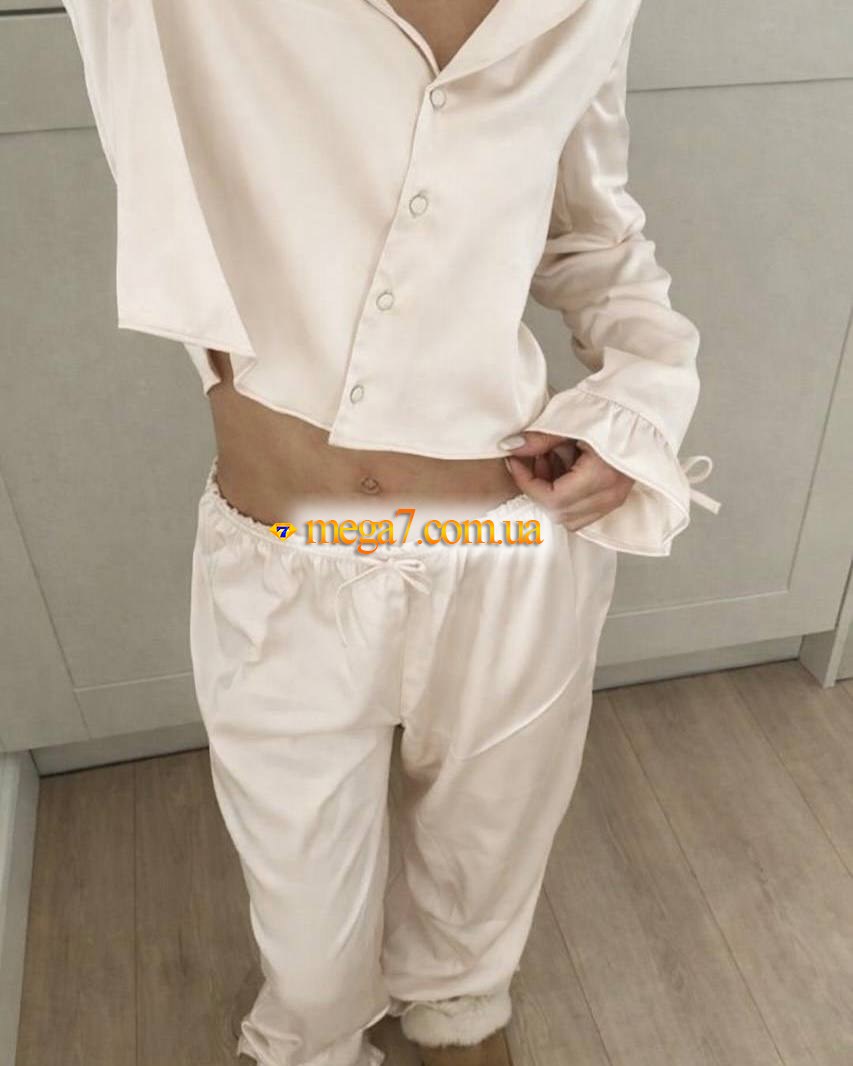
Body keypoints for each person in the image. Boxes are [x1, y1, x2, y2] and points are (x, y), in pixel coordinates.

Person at [63, 0, 720, 1063]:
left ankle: (460, 1014)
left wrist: (637, 403)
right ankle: (316, 1038)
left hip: (509, 551)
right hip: (280, 556)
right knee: (305, 929)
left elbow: (594, 236)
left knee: (482, 867)